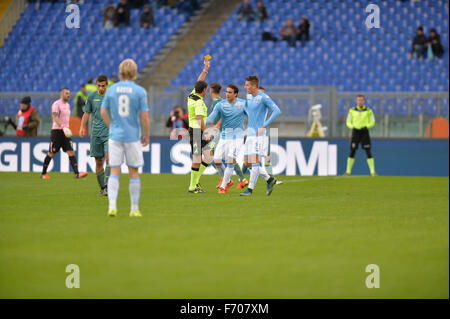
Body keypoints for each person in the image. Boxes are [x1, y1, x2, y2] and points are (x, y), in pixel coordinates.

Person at [100, 59, 150, 217]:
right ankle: (134, 209)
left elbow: (103, 112)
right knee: (133, 172)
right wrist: (146, 135)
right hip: (132, 136)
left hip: (115, 136)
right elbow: (144, 116)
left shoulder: (111, 89)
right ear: (135, 72)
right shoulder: (139, 91)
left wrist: (111, 127)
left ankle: (112, 206)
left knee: (114, 171)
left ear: (120, 72)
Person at [241, 75, 281, 196]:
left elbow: (277, 111)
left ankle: (250, 189)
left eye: (247, 85)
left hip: (259, 135)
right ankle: (269, 179)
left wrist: (265, 125)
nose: (245, 87)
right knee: (247, 163)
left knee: (255, 161)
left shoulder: (263, 97)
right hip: (250, 134)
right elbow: (247, 111)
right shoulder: (248, 97)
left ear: (253, 86)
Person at [206, 84, 247, 194]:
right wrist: (200, 122)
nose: (227, 94)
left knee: (230, 161)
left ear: (235, 94)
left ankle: (223, 187)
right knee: (216, 161)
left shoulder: (243, 104)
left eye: (230, 92)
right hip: (224, 137)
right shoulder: (221, 104)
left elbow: (252, 115)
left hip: (237, 138)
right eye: (226, 92)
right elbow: (212, 116)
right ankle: (228, 180)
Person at [40, 88, 88, 180]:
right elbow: (55, 117)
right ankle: (43, 173)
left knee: (71, 151)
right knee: (51, 153)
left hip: (66, 132)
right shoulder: (56, 104)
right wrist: (63, 127)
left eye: (69, 93)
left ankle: (77, 173)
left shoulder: (68, 105)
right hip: (57, 131)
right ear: (61, 94)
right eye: (66, 93)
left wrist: (66, 128)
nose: (68, 95)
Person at [79, 75, 110, 196]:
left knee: (109, 159)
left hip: (109, 133)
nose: (101, 88)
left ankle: (107, 186)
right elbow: (87, 113)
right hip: (96, 133)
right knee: (98, 162)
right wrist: (82, 126)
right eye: (99, 86)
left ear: (107, 85)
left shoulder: (111, 97)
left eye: (103, 86)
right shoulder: (92, 96)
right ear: (96, 85)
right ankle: (102, 188)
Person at [187, 58, 213, 194]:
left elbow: (199, 81)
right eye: (206, 89)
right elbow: (198, 118)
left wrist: (205, 69)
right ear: (203, 90)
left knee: (209, 156)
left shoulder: (192, 95)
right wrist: (205, 133)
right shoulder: (198, 103)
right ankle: (192, 186)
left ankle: (195, 182)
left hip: (197, 131)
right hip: (196, 131)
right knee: (197, 158)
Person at [345, 95, 376, 176]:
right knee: (352, 151)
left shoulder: (369, 111)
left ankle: (372, 172)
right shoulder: (352, 110)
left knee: (368, 151)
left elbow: (372, 121)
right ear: (356, 101)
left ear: (364, 101)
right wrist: (352, 127)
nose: (360, 102)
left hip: (364, 132)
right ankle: (348, 172)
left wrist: (367, 127)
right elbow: (348, 121)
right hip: (355, 132)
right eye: (358, 100)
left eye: (361, 100)